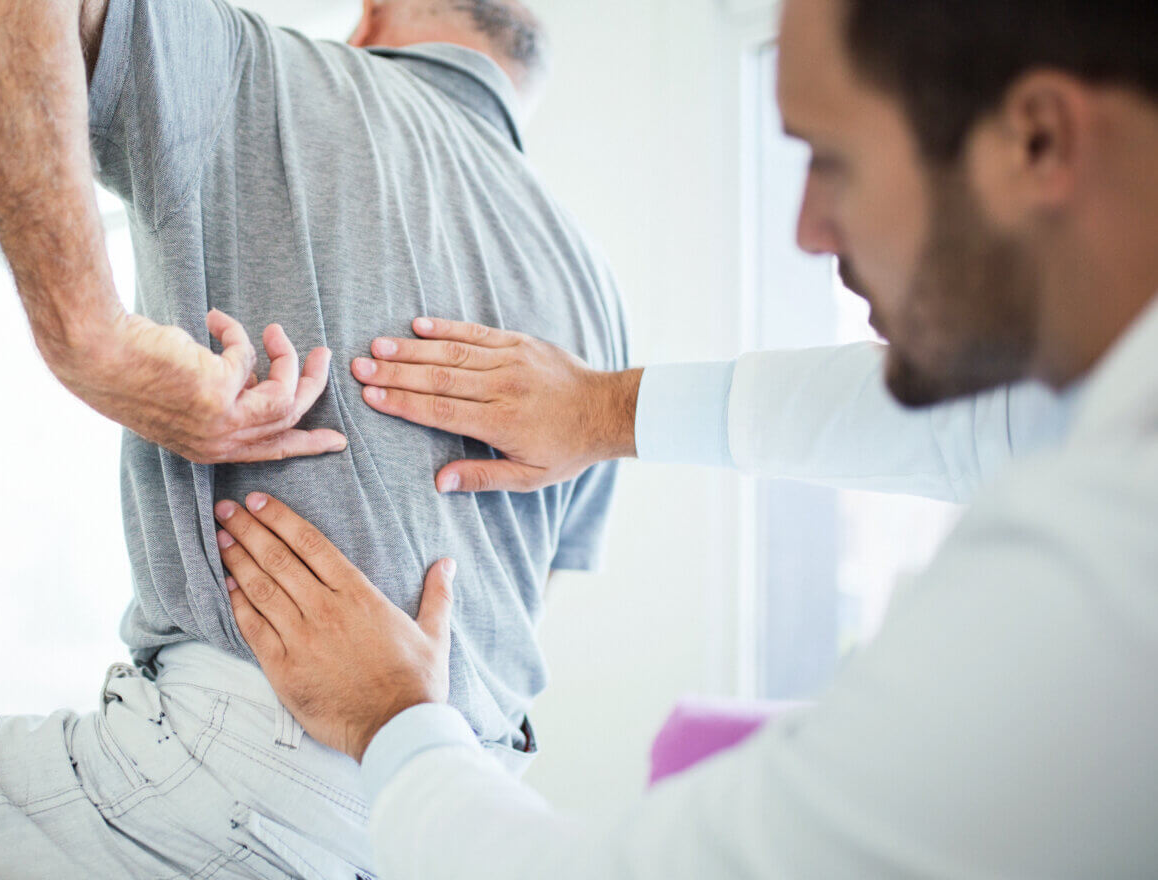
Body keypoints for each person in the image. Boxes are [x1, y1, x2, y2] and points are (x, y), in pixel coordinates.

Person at [0, 0, 633, 877]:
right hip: (449, 818)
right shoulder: (599, 304)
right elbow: (515, 600)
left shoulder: (279, 73)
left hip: (245, 781)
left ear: (374, 18)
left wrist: (90, 339)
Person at [210, 0, 1158, 875]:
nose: (806, 230)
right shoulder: (1097, 426)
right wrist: (601, 410)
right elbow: (978, 427)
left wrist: (394, 719)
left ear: (1037, 138)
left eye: (832, 159)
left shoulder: (1105, 572)